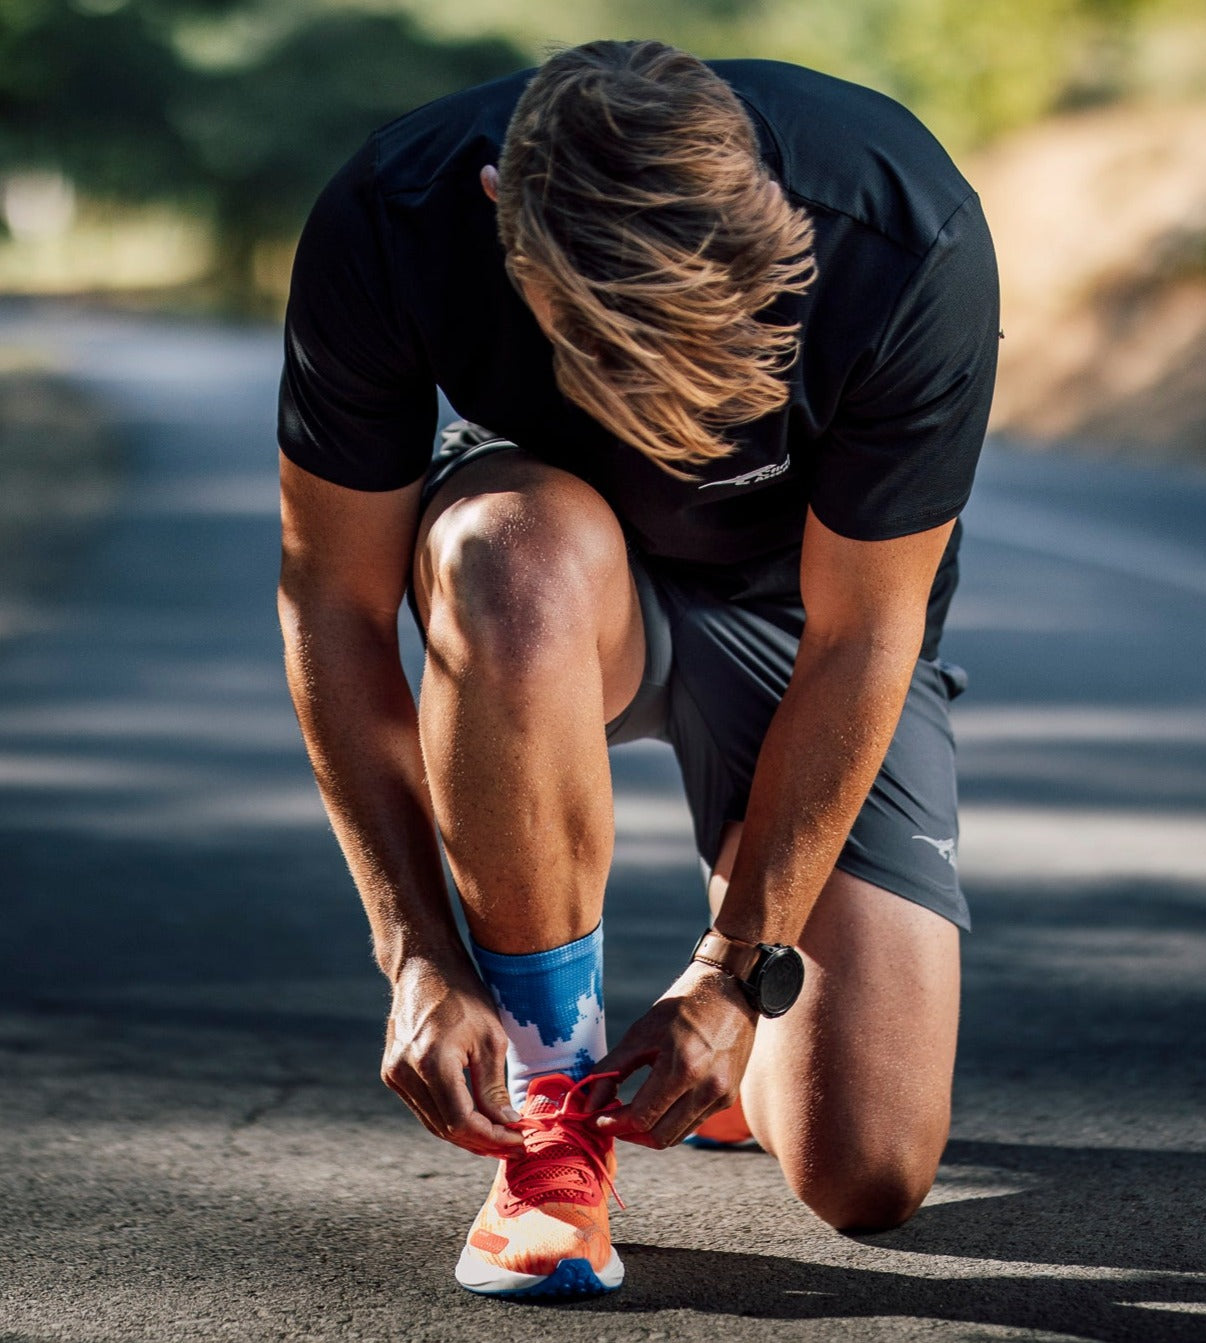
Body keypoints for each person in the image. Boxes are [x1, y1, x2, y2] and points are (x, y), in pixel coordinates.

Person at [277, 39, 998, 1300]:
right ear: (503, 216)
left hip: (801, 611)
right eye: (616, 348)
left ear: (771, 217)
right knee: (509, 553)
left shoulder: (901, 234)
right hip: (557, 577)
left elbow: (862, 634)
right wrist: (415, 951)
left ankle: (718, 1064)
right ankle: (553, 1112)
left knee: (869, 1168)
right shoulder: (394, 217)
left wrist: (735, 969)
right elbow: (334, 601)